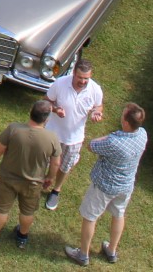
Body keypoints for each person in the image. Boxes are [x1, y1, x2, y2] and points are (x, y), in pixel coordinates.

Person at [64, 103, 148, 267]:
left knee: (90, 217)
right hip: (126, 185)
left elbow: (92, 145)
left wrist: (109, 136)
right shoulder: (143, 135)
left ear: (125, 122)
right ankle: (111, 250)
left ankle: (83, 254)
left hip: (104, 186)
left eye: (123, 114)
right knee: (118, 214)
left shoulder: (114, 142)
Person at [0, 99, 63, 251]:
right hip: (33, 183)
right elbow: (56, 163)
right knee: (27, 211)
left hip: (8, 179)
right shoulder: (52, 138)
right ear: (46, 118)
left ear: (30, 112)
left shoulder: (14, 129)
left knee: (2, 209)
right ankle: (22, 237)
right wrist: (49, 178)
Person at [41, 58, 105, 211]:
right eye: (80, 77)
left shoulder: (95, 90)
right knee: (42, 159)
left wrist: (97, 113)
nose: (83, 81)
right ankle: (36, 182)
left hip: (74, 138)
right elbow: (47, 101)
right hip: (52, 133)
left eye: (86, 78)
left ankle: (56, 190)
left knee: (65, 166)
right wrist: (56, 110)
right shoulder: (61, 83)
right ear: (74, 74)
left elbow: (99, 106)